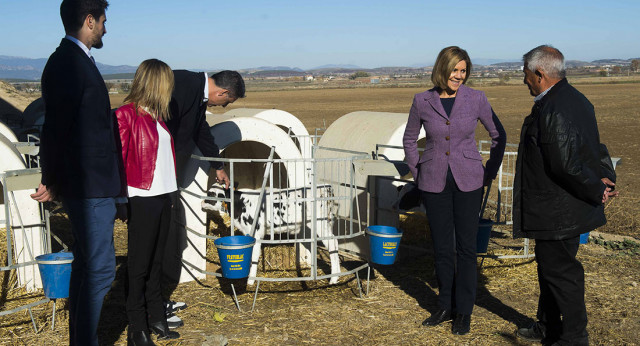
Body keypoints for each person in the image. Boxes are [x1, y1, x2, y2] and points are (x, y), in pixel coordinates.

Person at [514, 45, 618, 346]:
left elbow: (565, 165)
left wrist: (598, 188)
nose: (524, 81)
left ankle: (574, 338)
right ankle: (547, 326)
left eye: (525, 75)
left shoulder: (555, 108)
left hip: (556, 210)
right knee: (551, 270)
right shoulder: (577, 100)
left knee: (562, 275)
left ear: (539, 74)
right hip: (566, 207)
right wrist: (606, 177)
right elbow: (595, 149)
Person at [30, 1, 122, 345]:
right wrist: (51, 177)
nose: (105, 28)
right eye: (102, 21)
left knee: (87, 265)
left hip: (91, 180)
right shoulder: (68, 63)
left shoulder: (74, 60)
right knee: (99, 269)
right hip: (88, 184)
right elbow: (56, 127)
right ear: (89, 21)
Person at [403, 46, 506, 335]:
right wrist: (419, 172)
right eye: (455, 70)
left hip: (469, 181)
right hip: (433, 182)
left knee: (466, 248)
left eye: (463, 71)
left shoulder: (476, 98)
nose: (459, 76)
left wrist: (488, 172)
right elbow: (410, 140)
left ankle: (464, 311)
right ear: (442, 69)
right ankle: (444, 306)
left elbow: (499, 135)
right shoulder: (422, 100)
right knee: (442, 247)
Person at [161, 69, 246, 326]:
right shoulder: (181, 85)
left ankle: (158, 301)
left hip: (166, 178)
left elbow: (200, 131)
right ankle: (152, 307)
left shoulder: (195, 95)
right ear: (223, 93)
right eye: (227, 102)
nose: (223, 106)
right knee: (158, 242)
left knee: (168, 238)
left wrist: (217, 166)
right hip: (155, 177)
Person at [115, 59, 180, 345]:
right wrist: (121, 201)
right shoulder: (125, 115)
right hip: (141, 198)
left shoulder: (158, 117)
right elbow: (116, 162)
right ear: (156, 83)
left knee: (156, 263)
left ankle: (156, 316)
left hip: (164, 196)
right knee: (139, 266)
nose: (171, 88)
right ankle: (136, 328)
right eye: (167, 82)